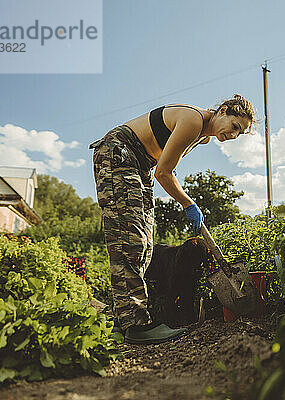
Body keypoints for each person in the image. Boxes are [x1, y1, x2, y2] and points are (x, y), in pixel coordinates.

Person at [89, 94, 255, 345]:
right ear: (222, 110)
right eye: (234, 126)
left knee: (144, 244)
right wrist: (189, 203)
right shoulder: (193, 120)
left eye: (239, 133)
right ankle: (135, 325)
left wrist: (179, 190)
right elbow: (163, 173)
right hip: (119, 153)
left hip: (139, 165)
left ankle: (124, 318)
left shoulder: (203, 137)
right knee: (130, 239)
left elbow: (167, 163)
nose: (233, 135)